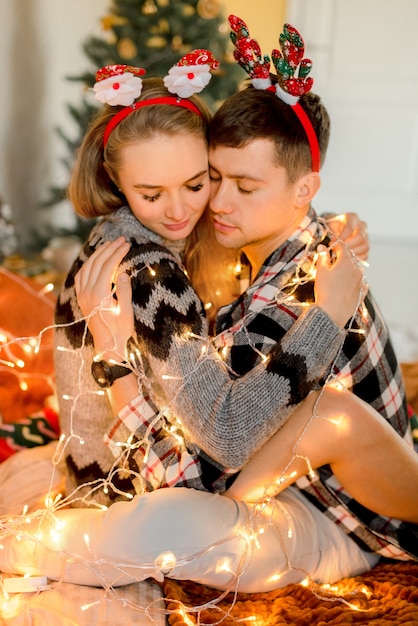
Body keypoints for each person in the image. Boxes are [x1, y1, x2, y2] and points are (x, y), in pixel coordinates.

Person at [1, 22, 416, 595]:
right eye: (213, 179)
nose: (211, 205)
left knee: (172, 523)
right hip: (242, 480)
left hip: (342, 518)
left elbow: (207, 469)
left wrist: (116, 362)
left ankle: (23, 543)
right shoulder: (210, 257)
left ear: (305, 190)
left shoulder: (301, 290)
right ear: (118, 182)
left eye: (239, 187)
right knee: (168, 520)